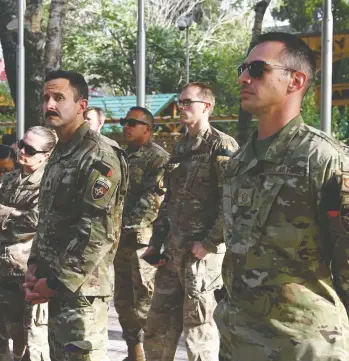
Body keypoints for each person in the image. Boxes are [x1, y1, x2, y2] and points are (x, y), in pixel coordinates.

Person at [215, 31, 349, 361]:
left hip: (301, 344)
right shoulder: (237, 163)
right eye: (242, 68)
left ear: (295, 80)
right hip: (236, 340)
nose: (244, 78)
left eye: (257, 69)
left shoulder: (325, 159)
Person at [23, 70, 128, 361]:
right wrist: (35, 267)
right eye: (46, 98)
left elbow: (97, 233)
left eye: (59, 98)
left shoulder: (99, 155)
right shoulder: (60, 152)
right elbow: (47, 218)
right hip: (55, 286)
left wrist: (54, 282)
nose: (49, 105)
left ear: (82, 105)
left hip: (82, 293)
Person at [142, 82, 239, 361]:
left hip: (201, 258)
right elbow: (169, 200)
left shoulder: (222, 145)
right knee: (158, 326)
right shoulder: (181, 147)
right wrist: (155, 243)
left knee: (199, 331)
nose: (180, 107)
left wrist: (208, 243)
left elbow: (231, 202)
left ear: (206, 107)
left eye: (187, 102)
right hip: (173, 252)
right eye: (180, 102)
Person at [114, 106, 169, 361]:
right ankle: (134, 354)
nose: (127, 126)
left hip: (142, 242)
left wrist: (119, 226)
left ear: (148, 129)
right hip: (119, 242)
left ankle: (152, 355)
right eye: (125, 121)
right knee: (123, 304)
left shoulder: (158, 158)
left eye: (133, 123)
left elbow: (151, 203)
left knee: (146, 304)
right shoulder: (121, 156)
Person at [0, 126, 56, 361]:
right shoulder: (11, 178)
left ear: (46, 155)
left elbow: (36, 221)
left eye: (30, 149)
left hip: (31, 272)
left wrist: (4, 213)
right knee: (6, 333)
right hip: (5, 269)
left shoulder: (51, 182)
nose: (21, 150)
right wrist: (16, 214)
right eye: (21, 144)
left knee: (34, 339)